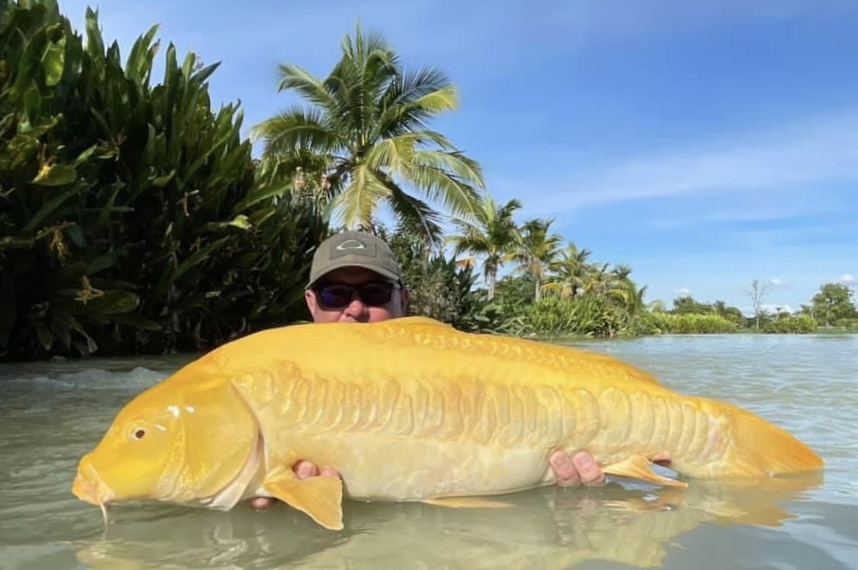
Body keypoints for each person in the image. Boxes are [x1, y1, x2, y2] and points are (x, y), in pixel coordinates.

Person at [249, 231, 606, 510]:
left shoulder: (473, 371)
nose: (355, 309)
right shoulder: (267, 379)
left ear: (402, 300)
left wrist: (573, 504)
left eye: (374, 293)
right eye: (334, 294)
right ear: (311, 303)